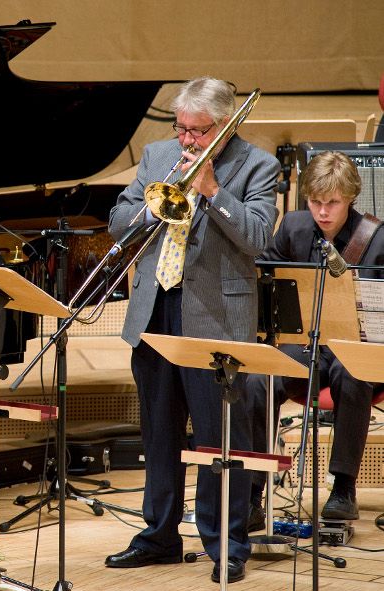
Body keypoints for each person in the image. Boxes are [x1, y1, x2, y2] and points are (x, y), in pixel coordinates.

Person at [104, 77, 280, 583]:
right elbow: (118, 220)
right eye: (181, 128)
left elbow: (257, 237)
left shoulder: (257, 165)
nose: (186, 140)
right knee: (158, 432)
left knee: (220, 439)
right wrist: (151, 208)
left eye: (197, 132)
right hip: (156, 309)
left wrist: (214, 192)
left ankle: (226, 544)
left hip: (217, 319)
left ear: (223, 127)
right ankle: (158, 535)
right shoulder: (159, 154)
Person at [247, 151, 384, 526]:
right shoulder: (293, 226)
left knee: (351, 372)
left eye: (333, 203)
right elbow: (267, 276)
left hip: (356, 348)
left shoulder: (376, 238)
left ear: (351, 198)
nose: (323, 212)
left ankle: (343, 486)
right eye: (315, 202)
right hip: (303, 344)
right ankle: (254, 492)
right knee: (259, 379)